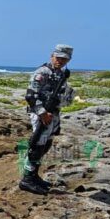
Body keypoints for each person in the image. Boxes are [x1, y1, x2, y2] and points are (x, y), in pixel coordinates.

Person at [19, 45, 75, 194]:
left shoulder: (62, 74)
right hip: (41, 113)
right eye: (58, 58)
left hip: (54, 113)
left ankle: (34, 175)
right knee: (37, 144)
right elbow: (31, 96)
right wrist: (43, 113)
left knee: (47, 143)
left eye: (64, 59)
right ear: (52, 56)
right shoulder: (42, 72)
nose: (60, 61)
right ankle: (27, 179)